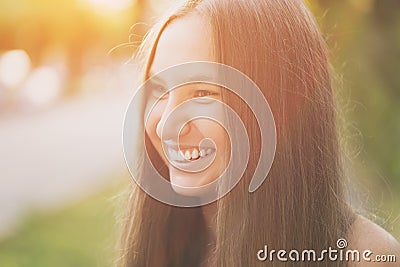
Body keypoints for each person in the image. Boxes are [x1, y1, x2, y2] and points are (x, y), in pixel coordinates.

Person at [117, 0, 400, 266]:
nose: (167, 124)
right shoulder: (163, 243)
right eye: (159, 90)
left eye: (203, 92)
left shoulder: (366, 257)